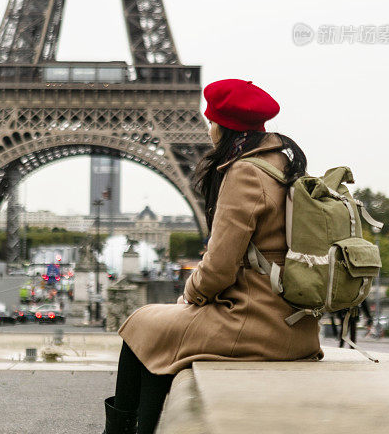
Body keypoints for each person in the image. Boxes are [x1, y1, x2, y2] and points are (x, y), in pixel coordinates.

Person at [99, 78, 323, 434]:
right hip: (293, 323)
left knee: (140, 325)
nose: (208, 129)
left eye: (211, 121)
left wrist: (190, 295)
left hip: (257, 322)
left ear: (223, 126)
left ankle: (121, 431)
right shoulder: (281, 163)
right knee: (159, 335)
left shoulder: (244, 172)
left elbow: (219, 267)